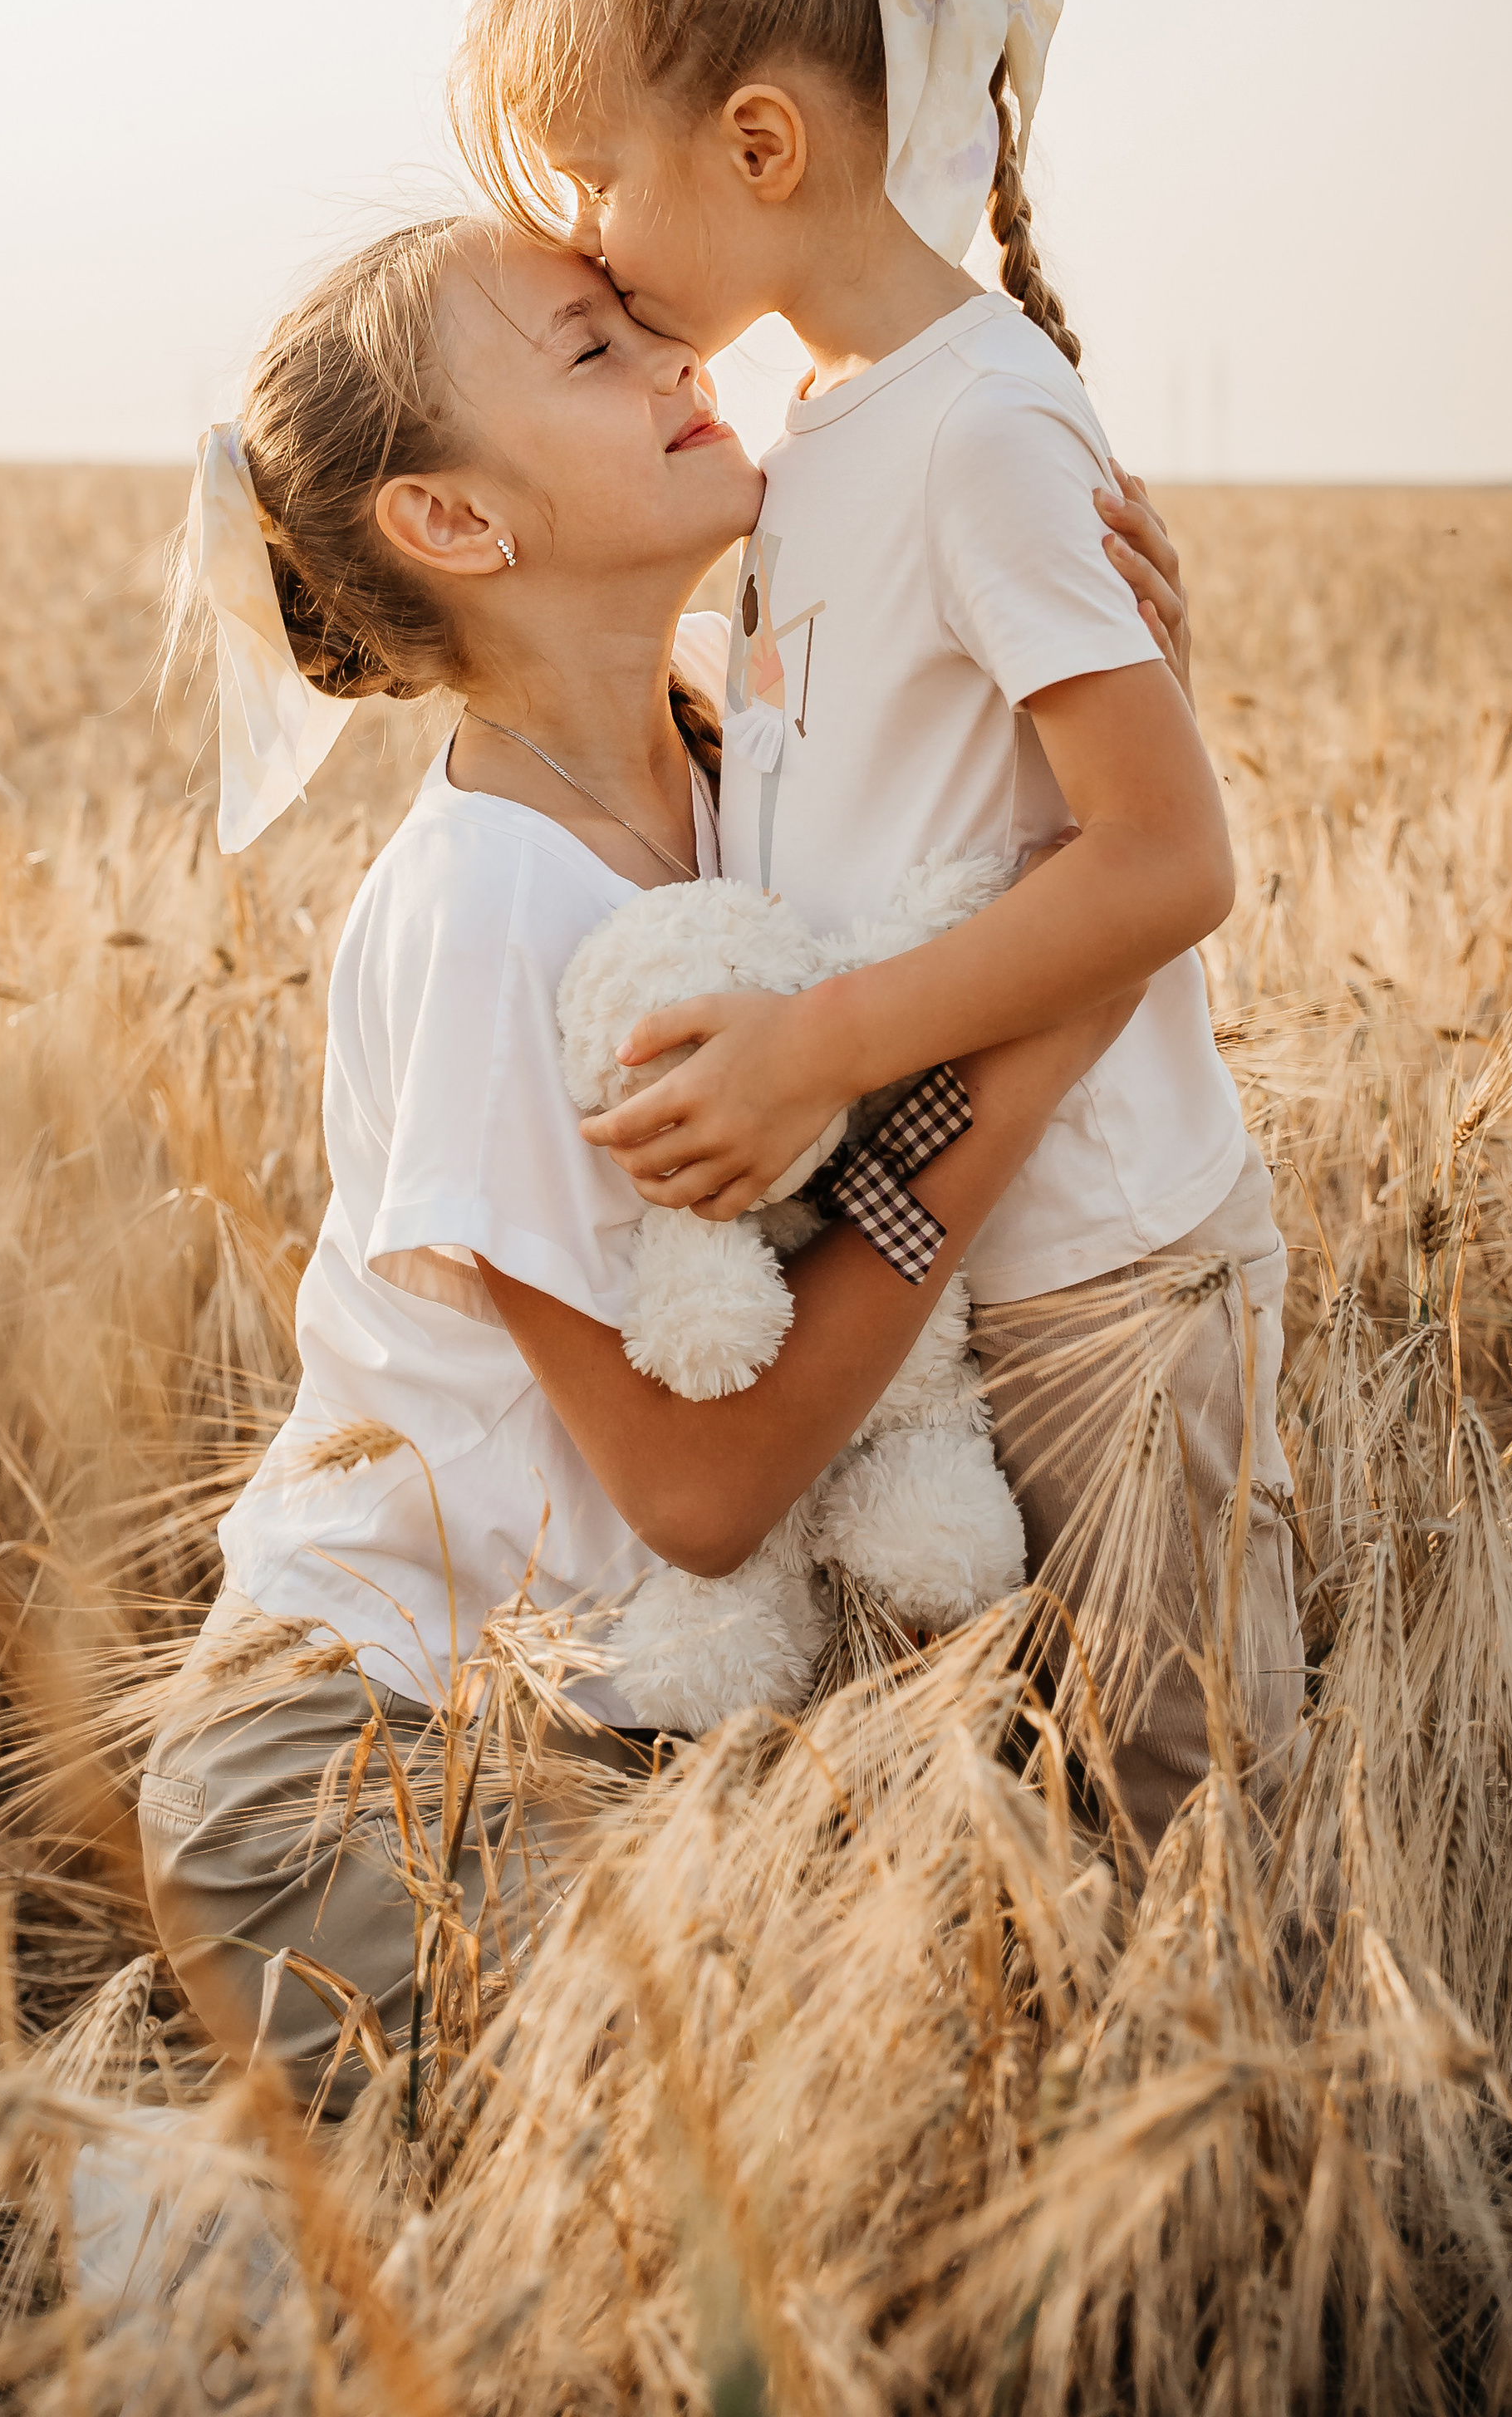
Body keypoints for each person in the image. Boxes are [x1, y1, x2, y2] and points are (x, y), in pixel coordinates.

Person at [139, 213, 1176, 2110]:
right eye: (592, 353)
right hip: (355, 1769)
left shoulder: (735, 735)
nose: (680, 359)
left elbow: (1030, 869)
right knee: (780, 2133)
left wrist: (1108, 692)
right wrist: (1028, 1062)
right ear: (456, 525)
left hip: (599, 1719)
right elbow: (693, 1489)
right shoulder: (479, 909)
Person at [452, 0, 1305, 1860]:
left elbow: (1167, 862)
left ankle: (1265, 2187)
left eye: (589, 179)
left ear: (758, 145)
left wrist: (816, 1050)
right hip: (943, 1281)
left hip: (1106, 1273)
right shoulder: (820, 432)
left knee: (1174, 1833)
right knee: (1004, 1836)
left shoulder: (985, 424)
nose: (577, 238)